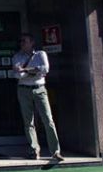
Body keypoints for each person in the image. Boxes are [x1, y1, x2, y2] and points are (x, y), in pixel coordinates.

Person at [12, 33, 65, 162]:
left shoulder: (41, 54)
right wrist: (34, 71)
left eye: (24, 41)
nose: (22, 43)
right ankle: (34, 150)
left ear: (32, 42)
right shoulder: (17, 57)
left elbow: (45, 69)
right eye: (20, 41)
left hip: (40, 89)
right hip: (23, 90)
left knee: (48, 120)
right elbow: (18, 75)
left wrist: (25, 70)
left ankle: (55, 152)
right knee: (28, 122)